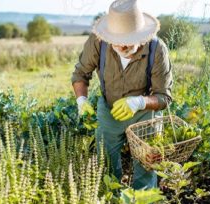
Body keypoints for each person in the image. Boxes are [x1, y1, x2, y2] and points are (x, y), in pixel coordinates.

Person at [71, 0, 173, 189]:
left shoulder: (157, 49)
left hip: (145, 113)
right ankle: (112, 197)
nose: (122, 48)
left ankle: (143, 199)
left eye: (128, 43)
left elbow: (163, 97)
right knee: (106, 163)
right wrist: (81, 100)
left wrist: (138, 102)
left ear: (142, 36)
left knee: (146, 165)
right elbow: (80, 74)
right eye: (117, 44)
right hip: (110, 109)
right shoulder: (98, 42)